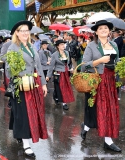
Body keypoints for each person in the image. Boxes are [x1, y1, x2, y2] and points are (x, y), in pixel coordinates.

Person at [6, 20, 48, 158]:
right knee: (23, 113)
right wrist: (21, 76)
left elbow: (39, 66)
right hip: (22, 84)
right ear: (17, 33)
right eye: (21, 30)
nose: (25, 33)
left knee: (25, 111)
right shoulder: (13, 48)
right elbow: (8, 70)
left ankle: (18, 132)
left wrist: (43, 83)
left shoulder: (32, 46)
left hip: (34, 84)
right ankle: (26, 144)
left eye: (26, 30)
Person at [81, 20, 121, 152]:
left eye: (106, 28)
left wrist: (120, 68)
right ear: (96, 32)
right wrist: (99, 61)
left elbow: (117, 62)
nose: (104, 30)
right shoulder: (91, 46)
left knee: (109, 109)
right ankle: (86, 126)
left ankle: (108, 141)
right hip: (97, 80)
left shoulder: (114, 44)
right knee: (96, 109)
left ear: (109, 31)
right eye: (101, 28)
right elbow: (84, 64)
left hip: (110, 81)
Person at [46, 40, 75, 110]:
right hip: (59, 73)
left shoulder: (67, 53)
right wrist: (48, 76)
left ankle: (55, 95)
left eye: (64, 44)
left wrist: (71, 68)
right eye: (61, 44)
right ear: (58, 46)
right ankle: (64, 103)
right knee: (62, 87)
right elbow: (51, 66)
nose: (63, 46)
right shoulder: (54, 55)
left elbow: (69, 63)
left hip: (66, 73)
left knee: (65, 87)